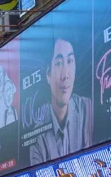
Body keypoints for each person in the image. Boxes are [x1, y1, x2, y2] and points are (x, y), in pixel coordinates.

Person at [27, 36, 93, 164]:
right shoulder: (37, 138)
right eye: (58, 63)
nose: (65, 75)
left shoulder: (88, 108)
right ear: (48, 75)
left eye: (70, 61)